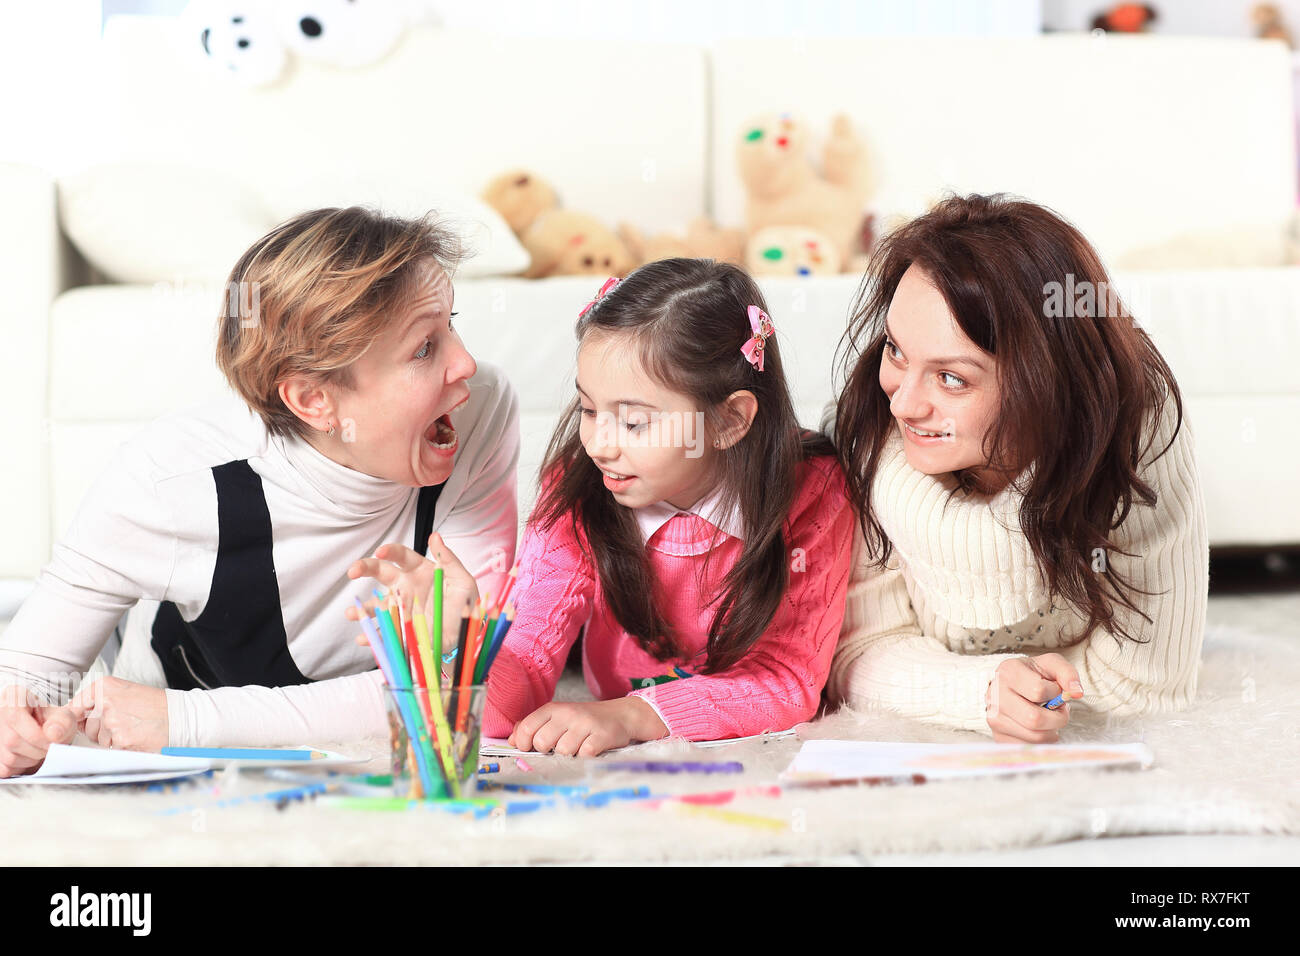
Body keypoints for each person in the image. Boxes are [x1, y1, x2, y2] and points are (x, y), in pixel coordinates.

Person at [0, 206, 518, 776]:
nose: (465, 363)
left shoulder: (480, 410)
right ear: (314, 400)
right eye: (424, 348)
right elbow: (24, 678)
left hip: (184, 711)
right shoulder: (170, 480)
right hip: (174, 702)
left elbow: (464, 692)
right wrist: (20, 726)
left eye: (452, 324)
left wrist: (183, 721)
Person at [825, 193, 1209, 743]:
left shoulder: (1135, 428)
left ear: (1044, 385)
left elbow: (1147, 685)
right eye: (896, 350)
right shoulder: (868, 426)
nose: (903, 404)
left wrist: (1027, 696)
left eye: (951, 378)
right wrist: (982, 691)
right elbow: (857, 654)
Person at [485, 259, 854, 756]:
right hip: (608, 706)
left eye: (634, 422)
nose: (598, 444)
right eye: (588, 410)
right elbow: (520, 675)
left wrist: (637, 714)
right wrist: (456, 650)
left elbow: (786, 679)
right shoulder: (578, 488)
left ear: (729, 420)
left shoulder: (814, 489)